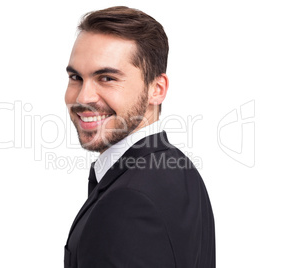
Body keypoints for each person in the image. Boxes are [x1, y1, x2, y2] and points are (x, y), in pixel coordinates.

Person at [64, 6, 215, 268]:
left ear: (156, 89)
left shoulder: (128, 202)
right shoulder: (180, 168)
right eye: (76, 77)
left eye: (107, 78)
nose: (82, 97)